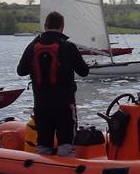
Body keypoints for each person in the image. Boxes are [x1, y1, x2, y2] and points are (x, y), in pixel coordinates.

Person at [17, 11, 89, 157]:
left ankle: (43, 173)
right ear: (62, 27)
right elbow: (84, 72)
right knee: (66, 144)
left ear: (45, 26)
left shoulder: (33, 46)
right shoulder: (68, 46)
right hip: (64, 105)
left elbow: (20, 71)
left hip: (41, 105)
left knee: (43, 144)